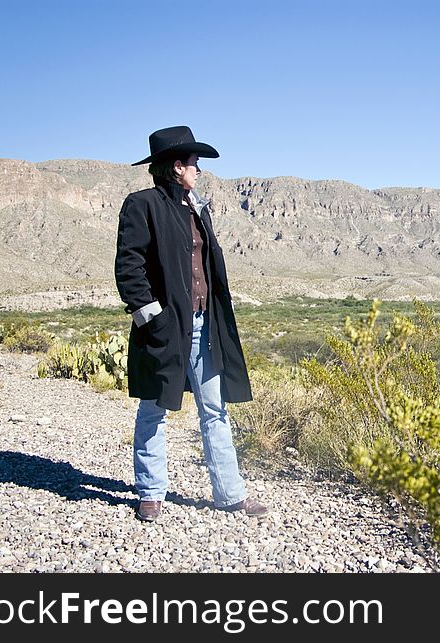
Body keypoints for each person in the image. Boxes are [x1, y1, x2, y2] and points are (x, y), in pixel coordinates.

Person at [115, 125, 267, 522]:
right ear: (176, 166)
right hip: (166, 328)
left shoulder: (196, 208)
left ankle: (230, 495)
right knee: (154, 407)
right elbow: (129, 266)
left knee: (214, 409)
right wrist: (153, 317)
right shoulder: (142, 204)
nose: (199, 171)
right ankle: (150, 493)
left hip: (204, 326)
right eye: (194, 164)